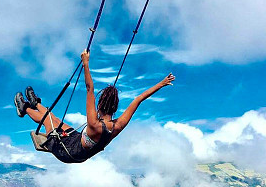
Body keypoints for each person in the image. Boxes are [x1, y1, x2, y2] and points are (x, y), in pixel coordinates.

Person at [14, 50, 175, 163]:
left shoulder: (94, 124)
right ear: (115, 107)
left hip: (69, 152)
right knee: (55, 119)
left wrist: (86, 63)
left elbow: (90, 88)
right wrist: (161, 83)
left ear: (99, 106)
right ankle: (37, 104)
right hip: (78, 142)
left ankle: (26, 108)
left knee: (49, 121)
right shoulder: (118, 125)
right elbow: (139, 99)